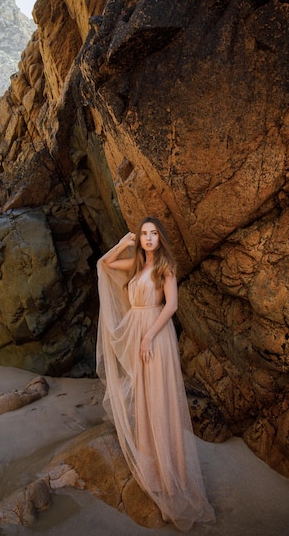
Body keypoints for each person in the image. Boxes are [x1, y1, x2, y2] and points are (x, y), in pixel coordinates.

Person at [96, 216, 215, 531]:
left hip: (155, 337)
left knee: (160, 398)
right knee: (146, 400)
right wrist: (124, 243)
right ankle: (154, 470)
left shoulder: (166, 267)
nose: (148, 238)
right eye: (144, 234)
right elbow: (104, 263)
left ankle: (170, 474)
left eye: (153, 234)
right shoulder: (136, 266)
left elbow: (172, 305)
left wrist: (149, 336)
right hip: (138, 334)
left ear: (161, 238)